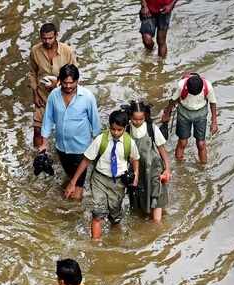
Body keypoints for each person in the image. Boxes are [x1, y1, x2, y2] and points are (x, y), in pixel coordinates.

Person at [65, 110, 140, 240]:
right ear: (109, 126)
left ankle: (115, 239)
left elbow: (135, 159)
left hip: (118, 183)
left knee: (115, 215)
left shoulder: (129, 142)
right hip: (99, 179)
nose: (115, 133)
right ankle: (96, 243)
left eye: (119, 130)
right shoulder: (101, 139)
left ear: (125, 128)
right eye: (113, 129)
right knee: (98, 213)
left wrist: (136, 175)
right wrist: (73, 182)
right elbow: (86, 160)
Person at [39, 64, 101, 200]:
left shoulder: (87, 97)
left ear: (77, 81)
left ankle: (74, 215)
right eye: (64, 83)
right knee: (70, 176)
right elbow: (48, 119)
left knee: (77, 186)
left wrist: (99, 149)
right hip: (62, 148)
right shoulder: (54, 96)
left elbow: (95, 123)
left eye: (71, 83)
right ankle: (72, 203)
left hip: (82, 149)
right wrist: (44, 143)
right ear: (59, 81)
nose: (67, 86)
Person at [28, 22, 77, 148]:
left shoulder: (67, 51)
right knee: (37, 130)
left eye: (50, 38)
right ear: (40, 37)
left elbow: (75, 76)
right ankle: (39, 156)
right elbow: (32, 73)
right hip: (43, 96)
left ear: (56, 36)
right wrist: (35, 94)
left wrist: (58, 84)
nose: (47, 41)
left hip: (63, 96)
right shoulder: (35, 51)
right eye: (44, 38)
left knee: (66, 130)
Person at [127, 101, 171, 223]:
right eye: (134, 119)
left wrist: (167, 169)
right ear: (130, 117)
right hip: (136, 170)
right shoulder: (126, 130)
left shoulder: (152, 129)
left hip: (153, 168)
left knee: (157, 193)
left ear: (145, 117)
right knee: (138, 196)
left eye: (141, 119)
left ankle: (157, 223)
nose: (137, 122)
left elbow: (163, 151)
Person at [162, 73, 218, 163]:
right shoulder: (181, 85)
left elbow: (212, 103)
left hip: (201, 114)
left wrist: (214, 122)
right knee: (182, 142)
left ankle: (203, 168)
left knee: (201, 144)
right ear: (187, 87)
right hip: (184, 112)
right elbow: (173, 100)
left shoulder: (208, 86)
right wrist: (167, 114)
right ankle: (179, 166)